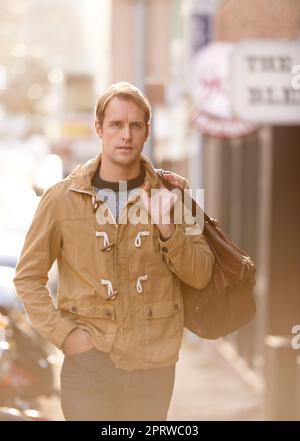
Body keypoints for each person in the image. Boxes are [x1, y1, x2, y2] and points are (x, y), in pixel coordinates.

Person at [13, 82, 215, 421]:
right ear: (98, 128)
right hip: (88, 364)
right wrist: (66, 336)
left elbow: (201, 274)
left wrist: (166, 226)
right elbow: (28, 278)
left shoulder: (176, 193)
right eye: (116, 125)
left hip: (154, 365)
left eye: (135, 125)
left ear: (147, 131)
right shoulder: (60, 199)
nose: (126, 135)